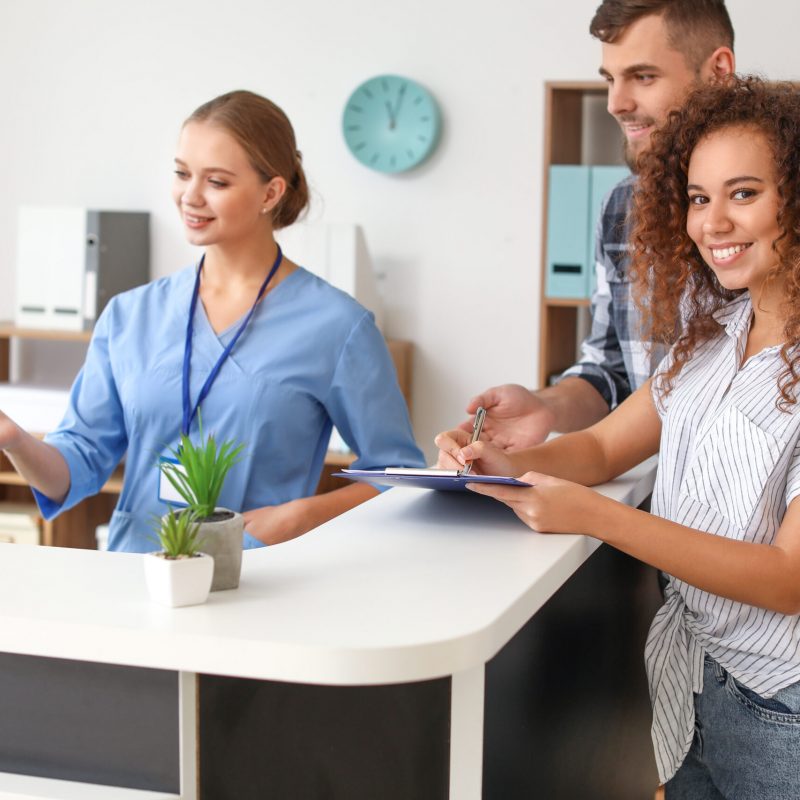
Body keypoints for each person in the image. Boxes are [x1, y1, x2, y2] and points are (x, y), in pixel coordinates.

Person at [437, 76, 800, 797]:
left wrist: (598, 516)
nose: (712, 223)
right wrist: (503, 459)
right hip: (692, 684)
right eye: (699, 198)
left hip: (783, 710)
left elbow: (788, 579)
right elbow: (603, 447)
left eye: (744, 193)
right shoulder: (710, 338)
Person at [0, 90, 424, 552]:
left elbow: (396, 477)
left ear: (270, 192)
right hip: (136, 578)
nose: (190, 196)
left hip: (260, 581)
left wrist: (300, 516)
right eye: (182, 174)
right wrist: (13, 439)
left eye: (217, 182)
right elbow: (75, 467)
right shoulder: (130, 316)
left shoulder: (338, 327)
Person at [455, 0, 735, 451]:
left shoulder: (784, 206)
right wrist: (545, 406)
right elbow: (612, 371)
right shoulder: (620, 208)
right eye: (610, 79)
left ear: (719, 70)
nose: (616, 104)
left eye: (643, 77)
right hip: (659, 498)